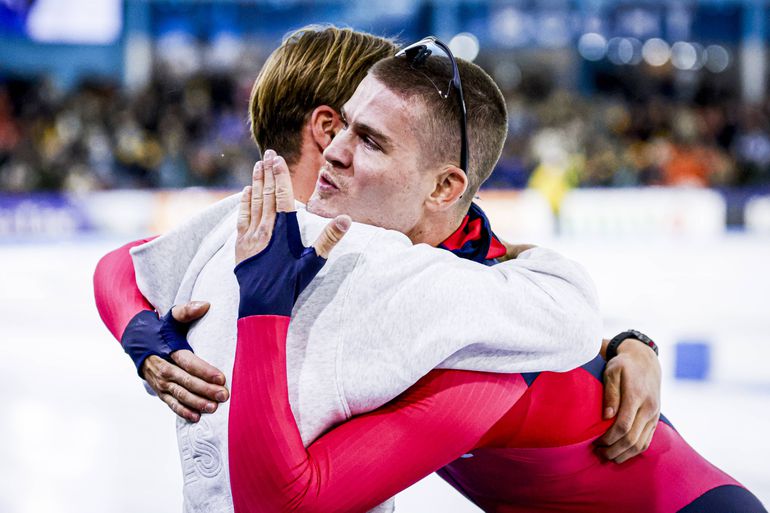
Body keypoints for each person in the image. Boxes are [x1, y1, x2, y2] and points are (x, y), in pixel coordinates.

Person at [93, 27, 658, 512]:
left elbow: (121, 264)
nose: (347, 148)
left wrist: (138, 330)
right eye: (360, 126)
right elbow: (561, 311)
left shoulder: (233, 233)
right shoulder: (379, 267)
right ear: (327, 127)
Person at [222, 50, 766, 512]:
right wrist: (150, 337)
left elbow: (280, 502)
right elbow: (137, 262)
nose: (333, 149)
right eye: (342, 125)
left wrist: (262, 308)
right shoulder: (470, 268)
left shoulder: (476, 347)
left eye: (370, 141)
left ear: (443, 189)